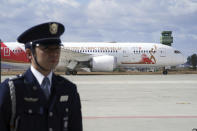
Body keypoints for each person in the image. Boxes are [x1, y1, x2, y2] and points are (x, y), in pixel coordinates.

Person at [0, 22, 83, 131]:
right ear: (29, 53)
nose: (54, 53)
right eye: (47, 48)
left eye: (57, 48)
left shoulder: (68, 89)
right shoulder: (11, 90)